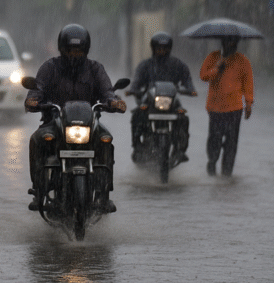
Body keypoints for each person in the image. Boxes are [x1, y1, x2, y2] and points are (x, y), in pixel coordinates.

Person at [25, 24, 127, 211]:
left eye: (78, 51)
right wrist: (32, 100)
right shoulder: (50, 68)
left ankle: (104, 193)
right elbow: (37, 88)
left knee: (106, 140)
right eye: (70, 50)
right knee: (36, 140)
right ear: (62, 49)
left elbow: (107, 91)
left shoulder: (95, 69)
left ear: (86, 50)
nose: (74, 54)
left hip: (89, 125)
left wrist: (113, 102)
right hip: (54, 123)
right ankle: (39, 190)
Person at [126, 31, 196, 163]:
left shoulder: (178, 65)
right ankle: (137, 146)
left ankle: (180, 149)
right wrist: (133, 90)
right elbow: (136, 81)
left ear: (169, 49)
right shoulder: (145, 65)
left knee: (183, 118)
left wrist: (190, 89)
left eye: (164, 48)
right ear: (153, 48)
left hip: (171, 100)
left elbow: (187, 80)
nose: (161, 51)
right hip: (150, 100)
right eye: (158, 48)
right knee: (137, 115)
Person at [198, 35, 254, 177]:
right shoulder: (213, 57)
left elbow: (248, 83)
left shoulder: (243, 61)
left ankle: (226, 174)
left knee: (231, 143)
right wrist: (216, 69)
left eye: (233, 41)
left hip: (234, 109)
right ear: (222, 42)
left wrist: (248, 103)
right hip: (215, 108)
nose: (231, 44)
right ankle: (212, 163)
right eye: (228, 41)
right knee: (214, 140)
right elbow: (203, 76)